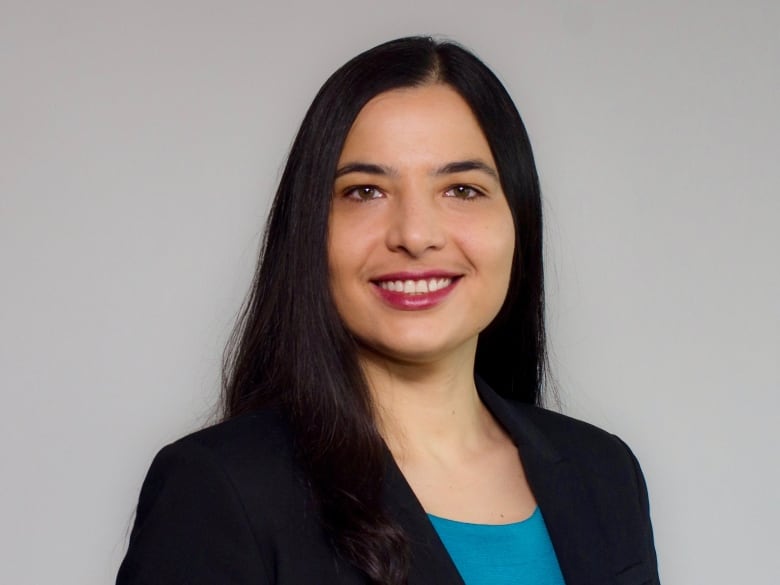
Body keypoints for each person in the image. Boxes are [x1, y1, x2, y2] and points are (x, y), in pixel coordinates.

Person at [116, 36, 659, 585]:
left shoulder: (604, 472)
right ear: (308, 229)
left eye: (463, 190)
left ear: (518, 222)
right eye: (365, 191)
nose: (415, 235)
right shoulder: (219, 487)